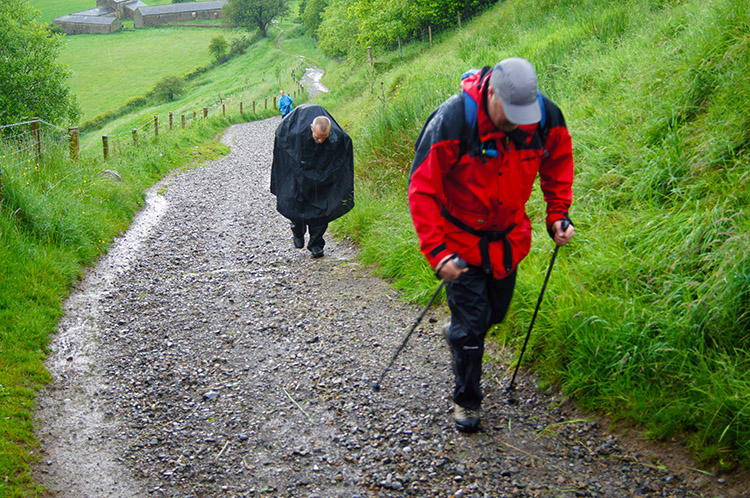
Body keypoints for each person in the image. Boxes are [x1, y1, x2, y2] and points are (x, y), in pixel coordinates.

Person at [408, 57, 575, 433]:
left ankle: (461, 335)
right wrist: (437, 252)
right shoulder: (454, 121)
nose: (518, 121)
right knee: (470, 330)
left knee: (492, 316)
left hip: (508, 242)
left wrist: (557, 215)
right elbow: (422, 188)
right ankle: (466, 400)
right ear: (493, 95)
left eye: (524, 113)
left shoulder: (545, 117)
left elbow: (558, 164)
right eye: (511, 112)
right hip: (460, 242)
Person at [270, 104, 354, 258]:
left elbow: (345, 148)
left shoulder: (336, 137)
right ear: (310, 128)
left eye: (324, 138)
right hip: (298, 171)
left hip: (322, 177)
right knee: (295, 202)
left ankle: (316, 244)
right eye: (317, 137)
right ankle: (297, 229)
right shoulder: (293, 133)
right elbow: (281, 140)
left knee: (322, 209)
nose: (321, 141)